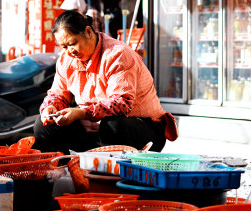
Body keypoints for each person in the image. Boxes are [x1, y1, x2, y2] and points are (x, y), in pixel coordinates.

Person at [33, 11, 177, 154]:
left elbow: (121, 104)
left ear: (88, 32)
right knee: (43, 125)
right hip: (95, 129)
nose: (69, 51)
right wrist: (50, 108)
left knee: (113, 124)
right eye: (64, 47)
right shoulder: (66, 59)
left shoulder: (118, 54)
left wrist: (81, 112)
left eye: (72, 43)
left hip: (140, 128)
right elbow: (58, 94)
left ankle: (109, 172)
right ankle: (58, 171)